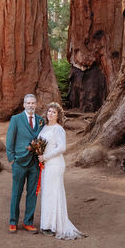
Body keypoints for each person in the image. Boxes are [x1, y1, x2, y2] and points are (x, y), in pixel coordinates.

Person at [37, 102, 84, 240]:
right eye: (49, 111)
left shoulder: (58, 129)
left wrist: (46, 156)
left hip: (55, 164)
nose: (50, 114)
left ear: (58, 115)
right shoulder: (44, 127)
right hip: (46, 164)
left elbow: (62, 148)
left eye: (54, 112)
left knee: (53, 192)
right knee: (46, 193)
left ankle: (53, 225)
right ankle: (46, 224)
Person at [5, 93, 44, 233]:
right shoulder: (16, 119)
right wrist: (12, 159)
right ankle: (13, 221)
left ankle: (28, 222)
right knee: (17, 192)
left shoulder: (41, 121)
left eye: (33, 103)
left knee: (32, 193)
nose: (31, 105)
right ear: (24, 104)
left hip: (34, 163)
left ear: (36, 104)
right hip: (19, 162)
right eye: (28, 103)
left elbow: (42, 140)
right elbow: (10, 139)